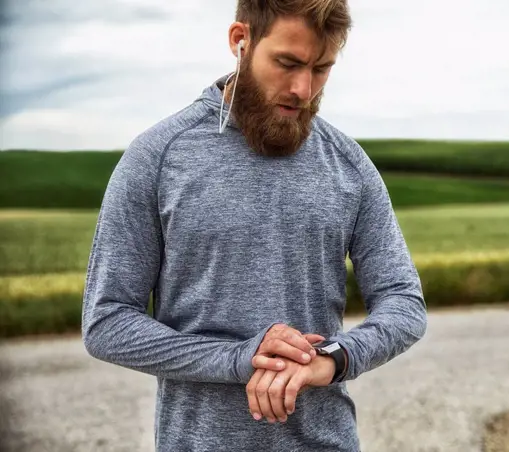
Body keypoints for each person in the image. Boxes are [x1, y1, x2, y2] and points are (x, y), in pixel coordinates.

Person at [81, 1, 427, 451]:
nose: (303, 89)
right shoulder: (159, 157)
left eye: (321, 69)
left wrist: (332, 358)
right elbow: (107, 322)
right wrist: (235, 358)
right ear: (240, 41)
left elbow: (404, 302)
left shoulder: (348, 166)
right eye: (288, 63)